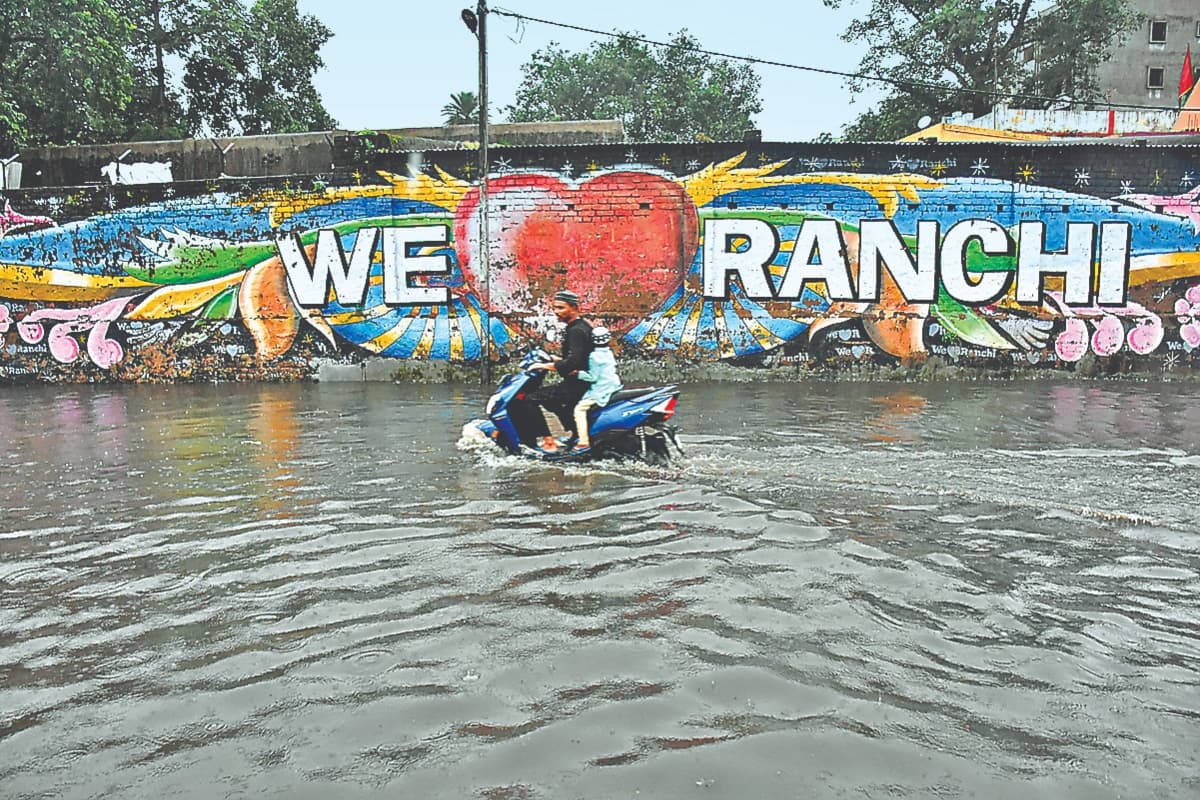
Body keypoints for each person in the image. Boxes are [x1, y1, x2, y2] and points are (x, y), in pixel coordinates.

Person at [508, 289, 593, 453]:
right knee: (550, 399)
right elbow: (578, 357)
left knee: (528, 399)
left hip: (577, 384)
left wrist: (543, 366)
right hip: (579, 381)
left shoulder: (576, 331)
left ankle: (548, 442)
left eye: (561, 308)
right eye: (555, 308)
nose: (556, 312)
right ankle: (575, 433)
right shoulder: (579, 327)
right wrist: (555, 359)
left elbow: (574, 362)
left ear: (574, 308)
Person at [567, 326, 623, 456]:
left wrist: (577, 373)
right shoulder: (608, 352)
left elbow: (593, 377)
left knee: (579, 409)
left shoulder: (594, 356)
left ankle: (583, 441)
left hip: (601, 388)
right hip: (613, 385)